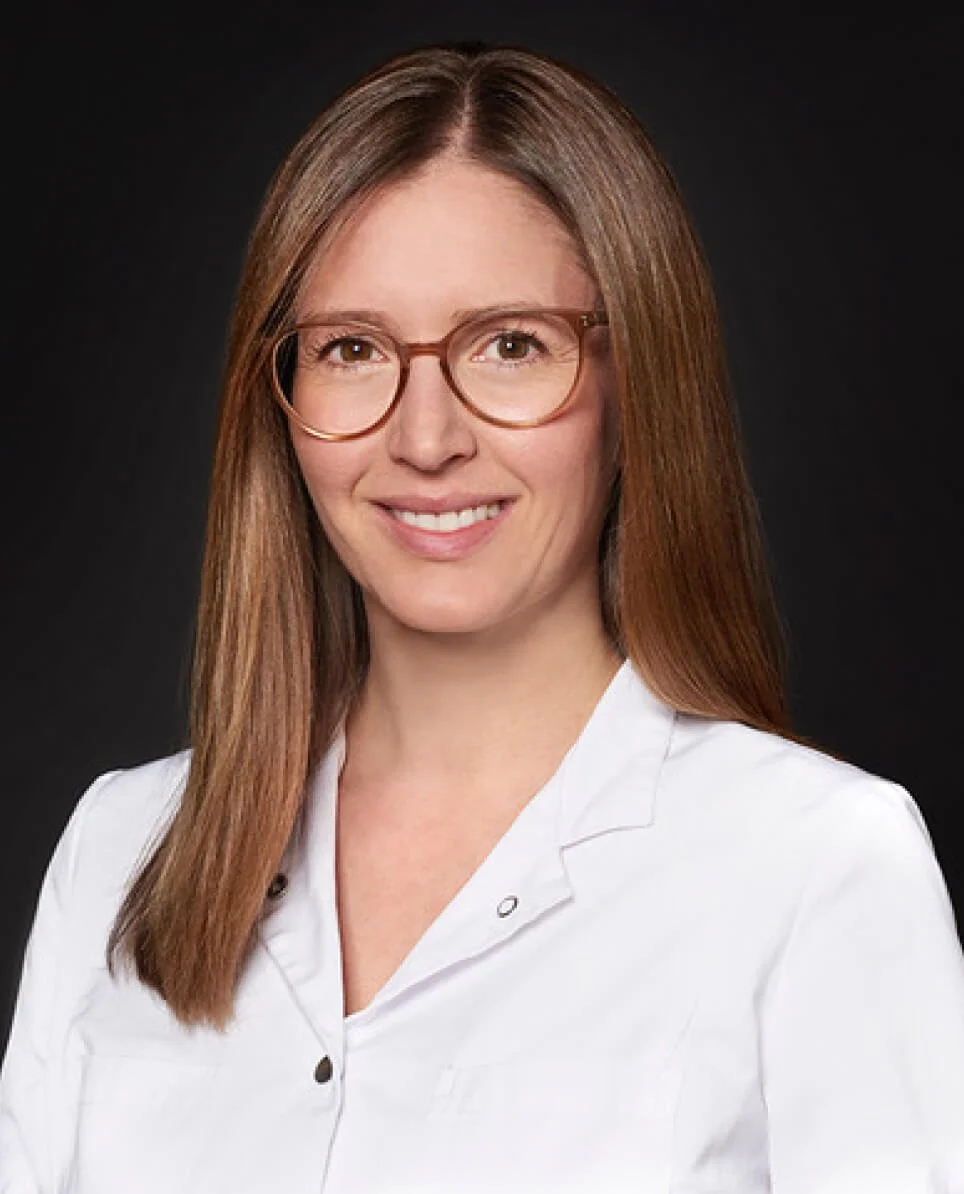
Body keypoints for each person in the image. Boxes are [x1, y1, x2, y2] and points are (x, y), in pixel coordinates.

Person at [1, 40, 963, 1194]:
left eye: (510, 345)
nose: (425, 437)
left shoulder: (815, 867)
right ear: (284, 398)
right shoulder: (120, 852)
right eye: (352, 350)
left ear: (633, 379)